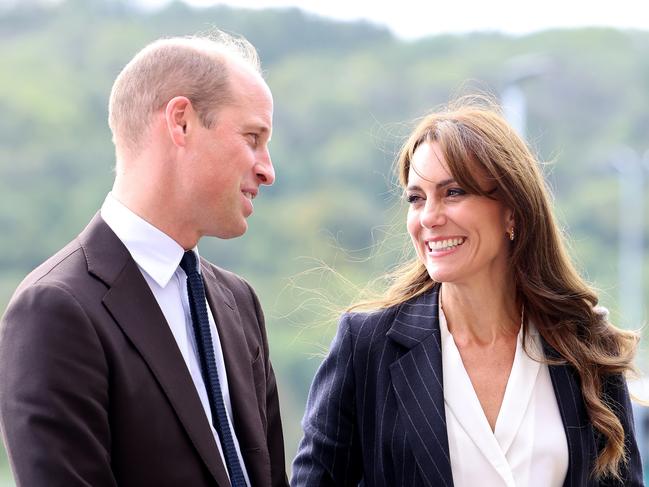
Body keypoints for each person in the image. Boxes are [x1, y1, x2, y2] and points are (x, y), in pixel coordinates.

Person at [291, 98, 643, 486]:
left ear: (512, 209)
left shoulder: (586, 344)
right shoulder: (367, 345)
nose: (429, 217)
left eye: (454, 192)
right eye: (416, 198)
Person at [0, 32, 288, 487]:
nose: (267, 169)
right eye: (252, 137)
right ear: (182, 122)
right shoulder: (54, 309)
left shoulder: (239, 303)